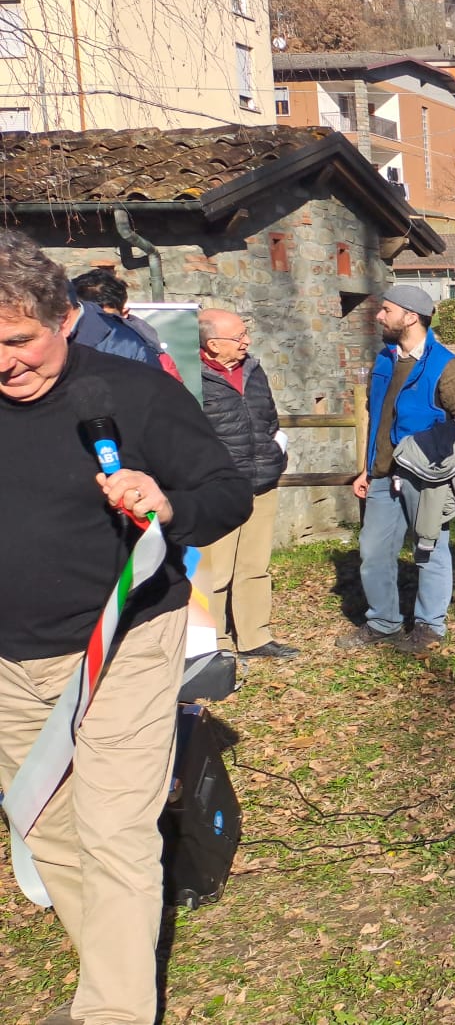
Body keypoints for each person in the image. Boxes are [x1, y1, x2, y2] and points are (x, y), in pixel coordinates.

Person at [0, 229, 249, 1025]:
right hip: (10, 662)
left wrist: (167, 505)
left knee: (112, 828)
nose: (4, 362)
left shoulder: (132, 395)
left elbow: (225, 493)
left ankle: (111, 1011)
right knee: (47, 831)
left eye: (19, 340)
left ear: (65, 319)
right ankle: (111, 967)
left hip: (122, 642)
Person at [338, 284, 455, 651]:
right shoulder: (385, 360)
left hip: (427, 480)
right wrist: (368, 469)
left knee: (430, 552)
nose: (379, 316)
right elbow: (379, 419)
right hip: (382, 478)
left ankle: (429, 626)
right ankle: (383, 623)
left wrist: (431, 453)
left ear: (410, 316)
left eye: (386, 310)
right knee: (372, 553)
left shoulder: (445, 366)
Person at [194, 308, 298, 661]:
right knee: (216, 570)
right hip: (218, 489)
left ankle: (255, 636)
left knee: (254, 565)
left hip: (262, 482)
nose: (247, 342)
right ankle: (216, 642)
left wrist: (275, 453)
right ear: (212, 344)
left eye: (245, 334)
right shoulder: (189, 377)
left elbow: (269, 417)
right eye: (239, 337)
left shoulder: (253, 370)